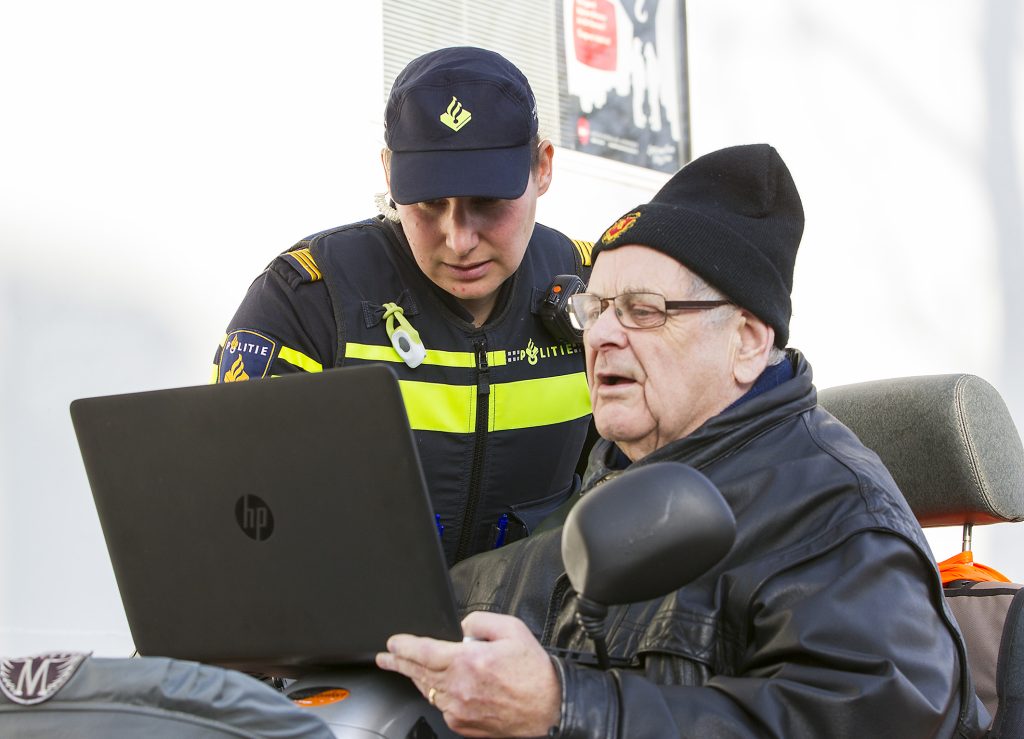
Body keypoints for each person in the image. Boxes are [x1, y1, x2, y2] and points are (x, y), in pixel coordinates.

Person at [375, 144, 988, 737]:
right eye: (598, 306)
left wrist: (566, 707)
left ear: (746, 339)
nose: (603, 336)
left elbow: (862, 719)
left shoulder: (835, 518)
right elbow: (504, 588)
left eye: (644, 310)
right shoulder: (620, 480)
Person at [212, 47, 594, 565]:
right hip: (354, 638)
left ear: (543, 168)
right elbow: (234, 516)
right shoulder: (307, 298)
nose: (459, 240)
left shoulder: (599, 292)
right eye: (429, 203)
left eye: (487, 202)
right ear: (389, 172)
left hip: (534, 637)